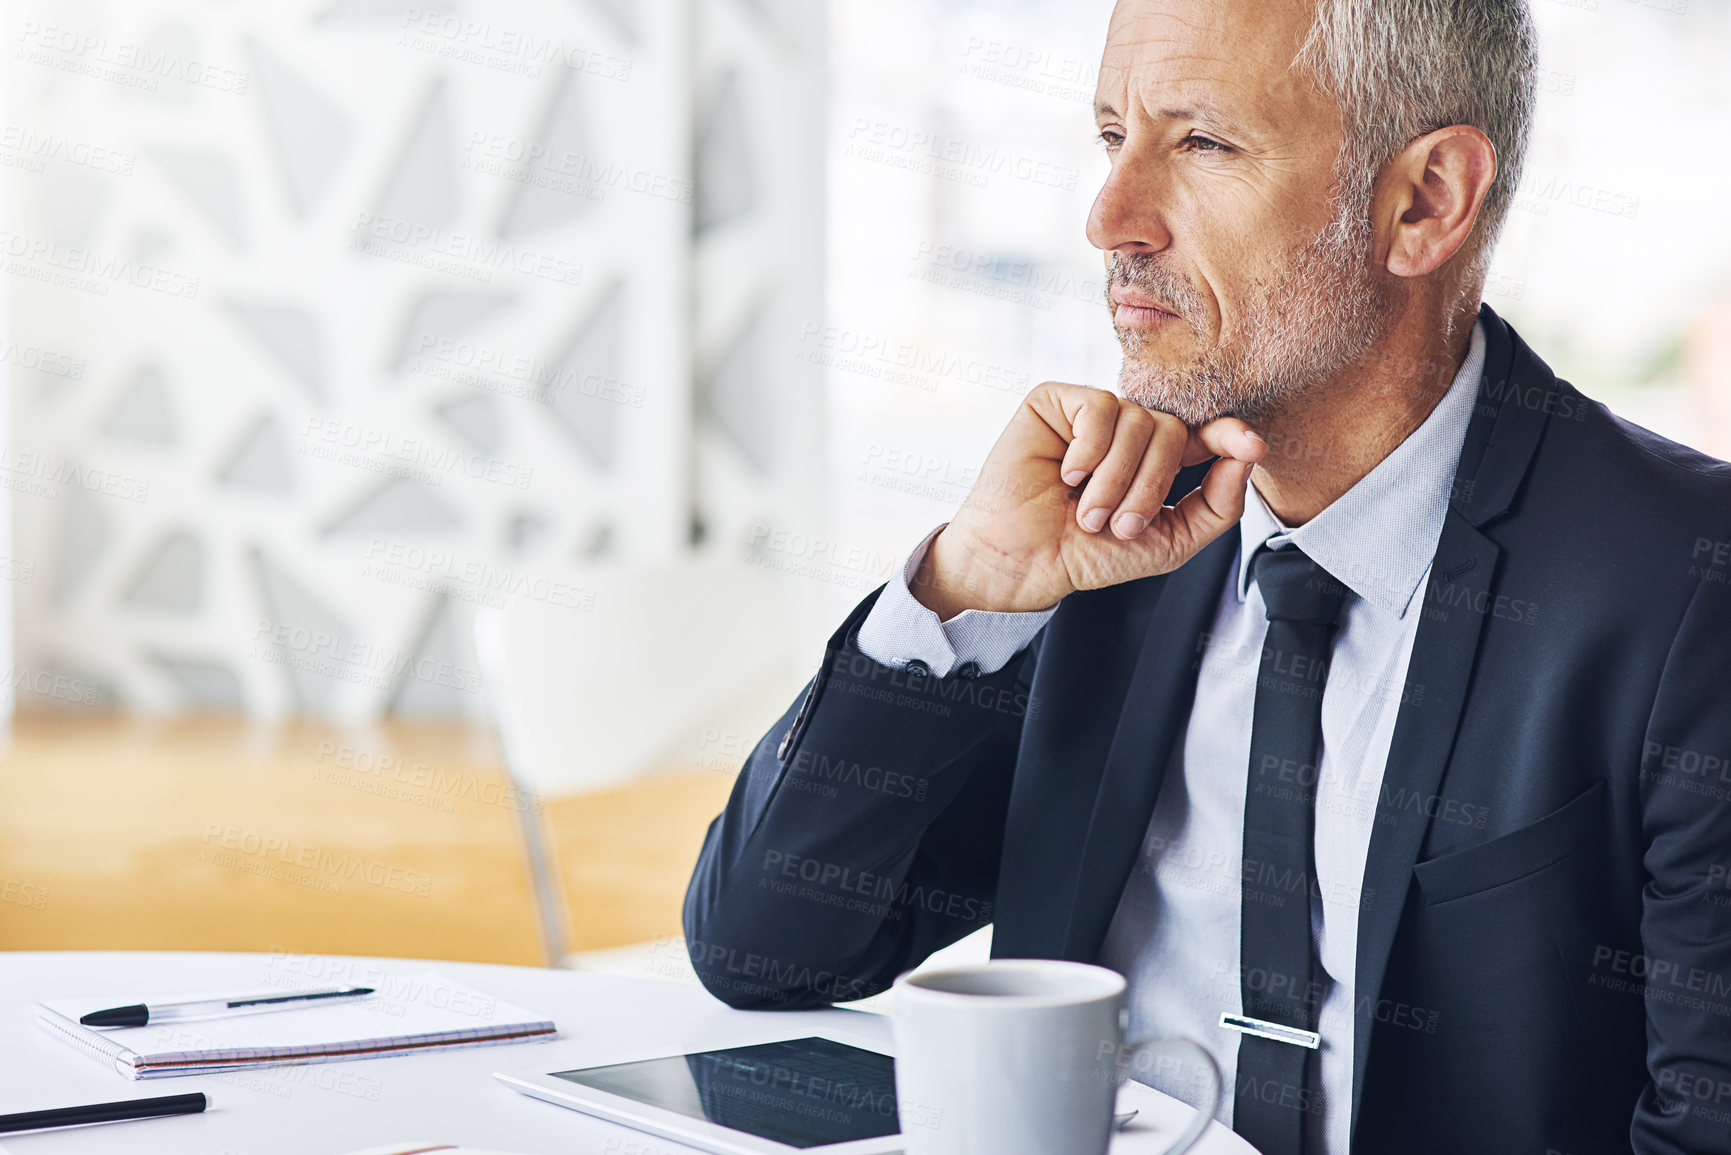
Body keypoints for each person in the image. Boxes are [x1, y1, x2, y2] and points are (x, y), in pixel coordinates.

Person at [684, 0, 1731, 1150]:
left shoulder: (1686, 586)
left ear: (1425, 200)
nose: (1110, 217)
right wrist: (965, 586)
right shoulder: (1101, 538)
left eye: (1201, 144)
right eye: (1109, 138)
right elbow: (765, 949)